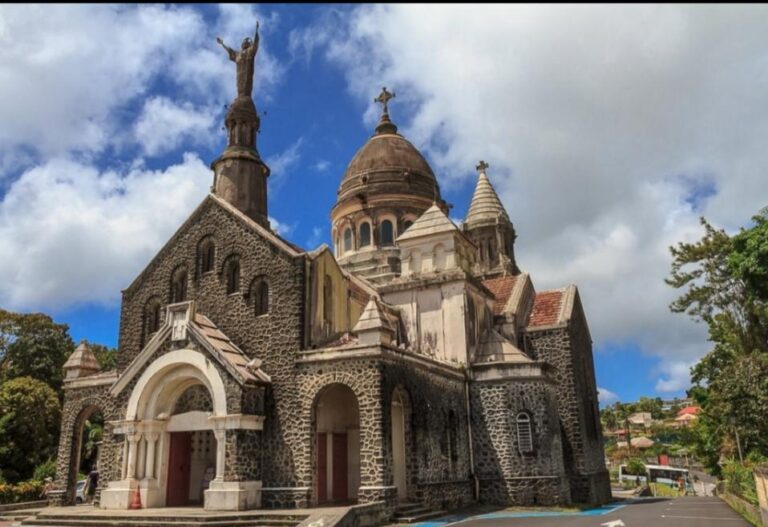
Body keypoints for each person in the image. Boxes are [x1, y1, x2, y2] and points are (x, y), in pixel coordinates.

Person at [216, 22, 260, 98]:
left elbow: (256, 43)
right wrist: (222, 44)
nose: (245, 43)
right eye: (244, 42)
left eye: (247, 42)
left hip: (247, 72)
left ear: (249, 44)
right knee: (240, 85)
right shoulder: (237, 54)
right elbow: (230, 50)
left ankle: (245, 98)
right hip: (240, 73)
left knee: (247, 84)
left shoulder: (250, 50)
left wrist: (256, 31)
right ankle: (240, 97)